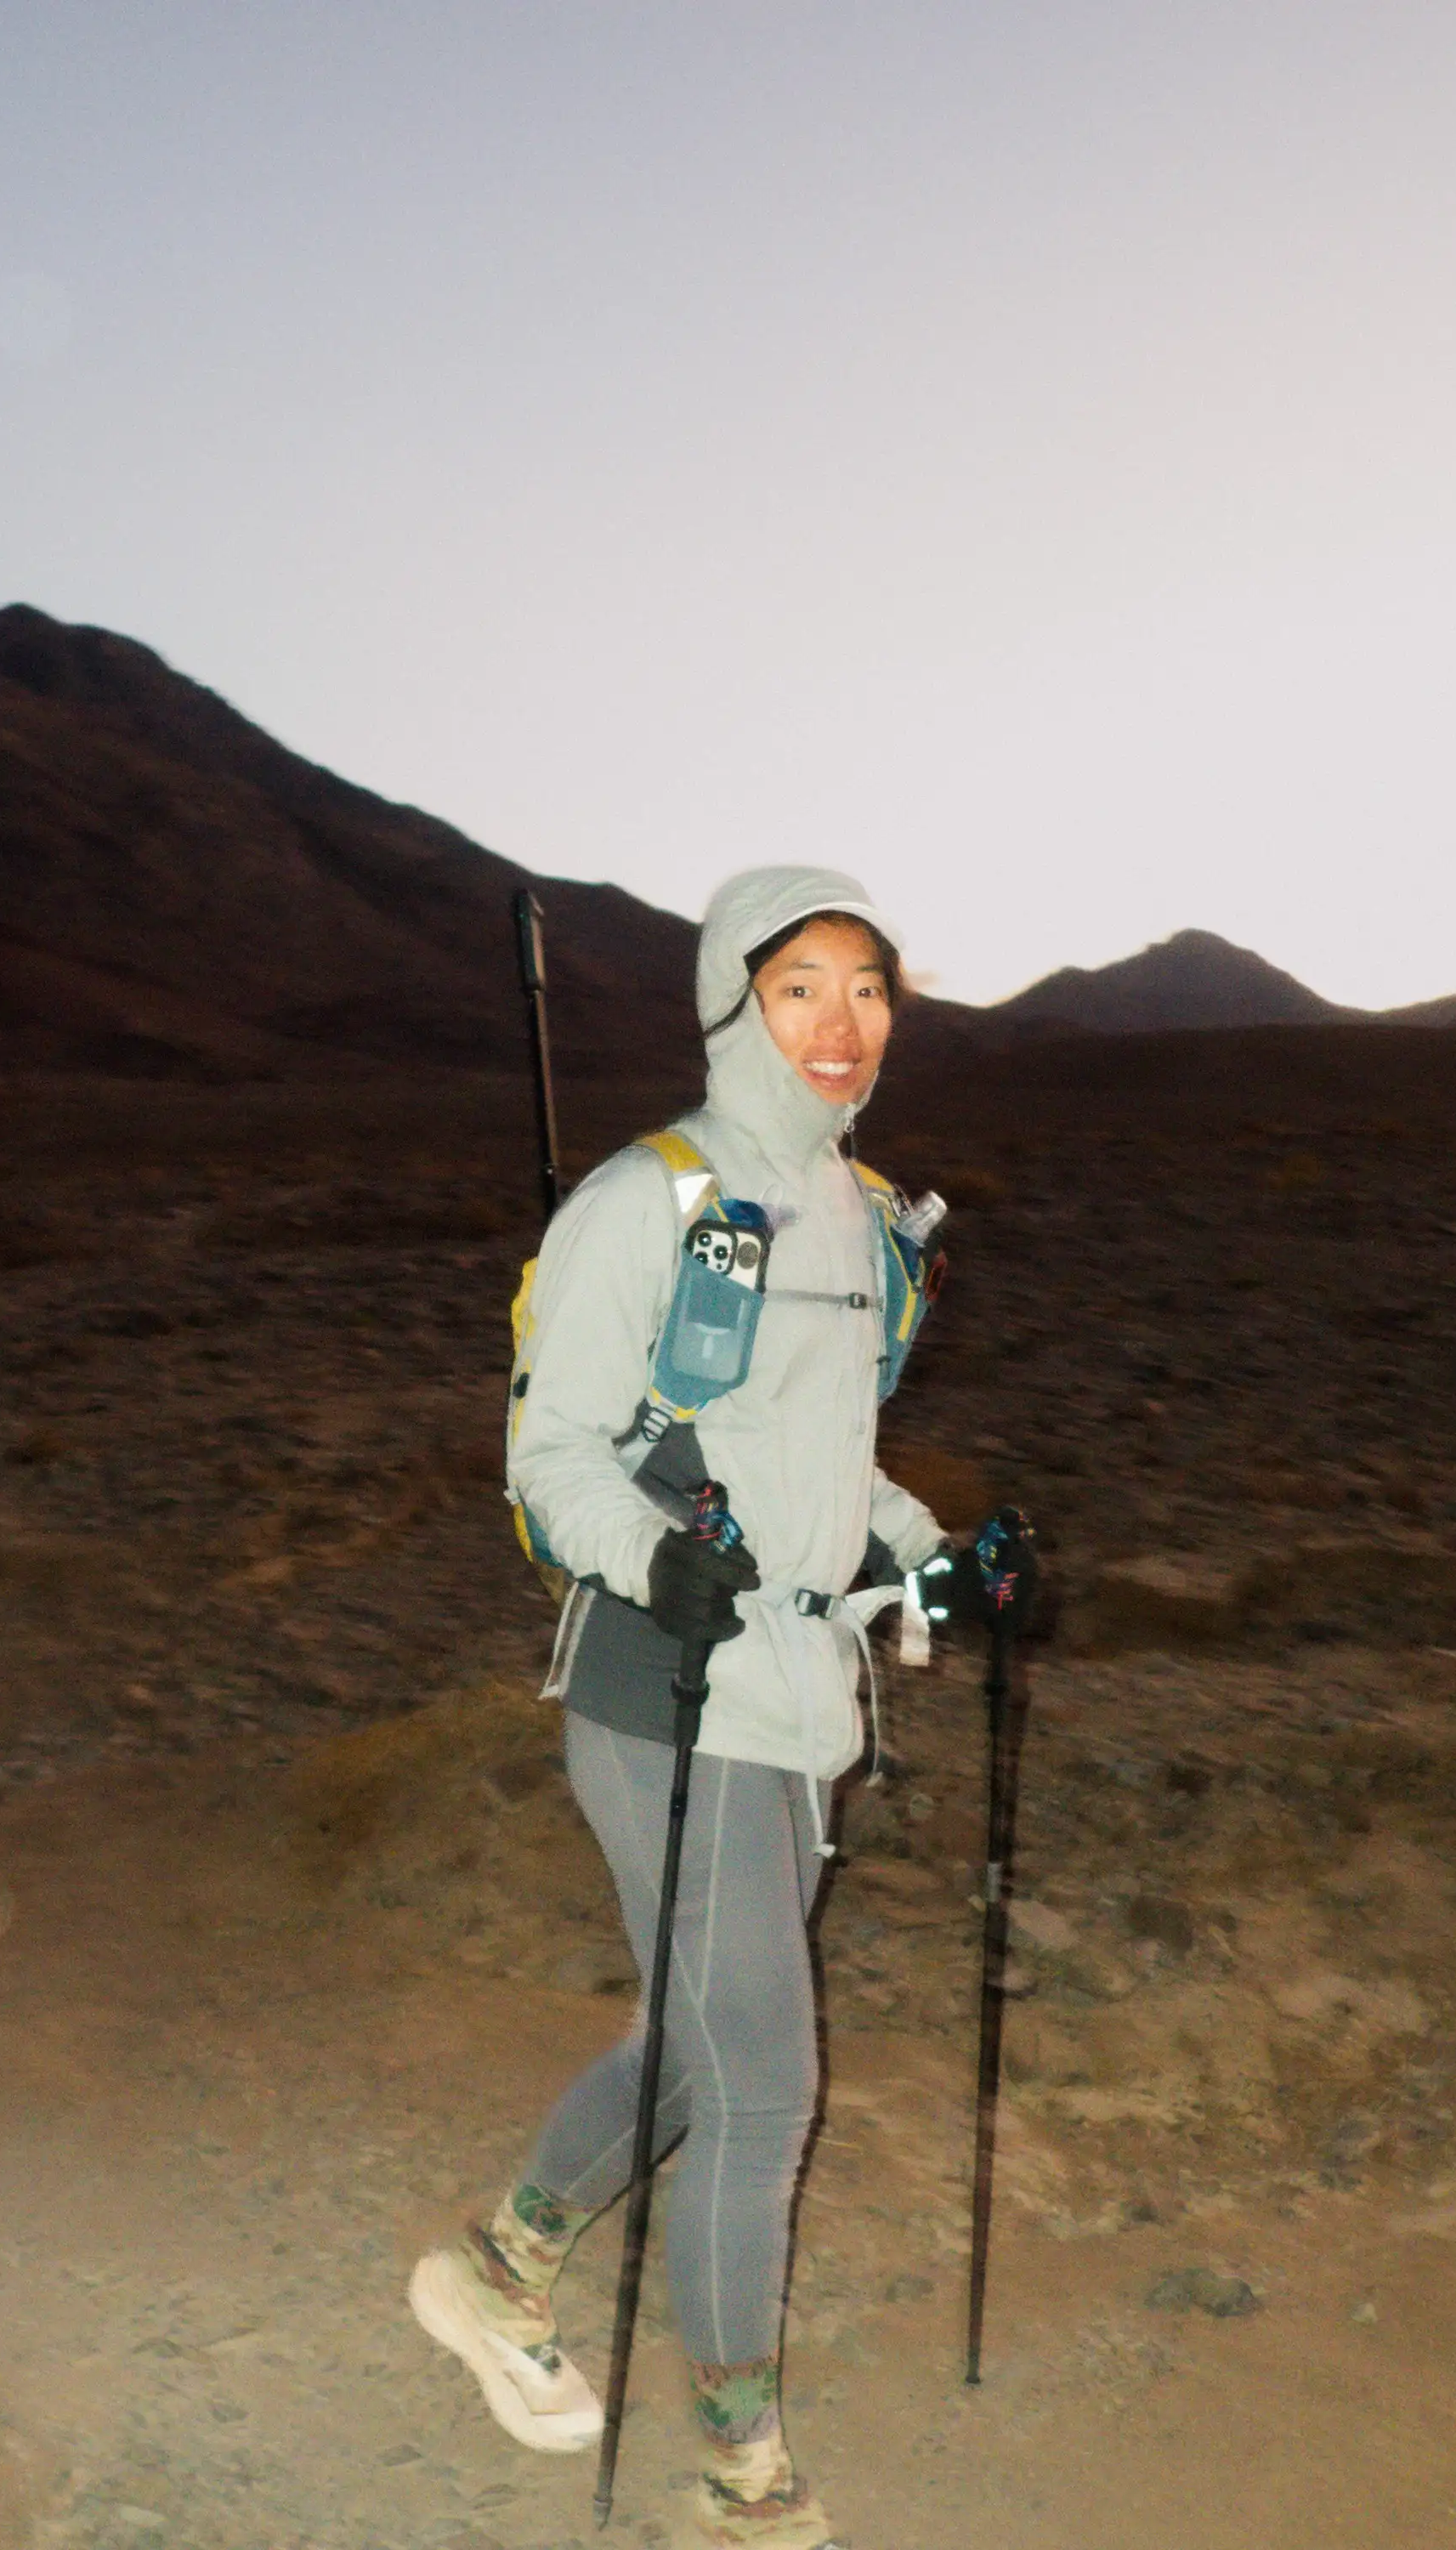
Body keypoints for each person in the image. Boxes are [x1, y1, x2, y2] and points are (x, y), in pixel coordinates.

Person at [409, 865, 966, 2550]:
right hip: (668, 1693)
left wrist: (932, 1557)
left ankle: (496, 2275)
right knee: (762, 2089)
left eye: (867, 987)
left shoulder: (865, 1218)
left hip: (799, 1693)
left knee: (698, 2042)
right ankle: (740, 2470)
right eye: (800, 985)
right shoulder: (640, 1203)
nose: (840, 1021)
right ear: (731, 1000)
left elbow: (826, 1460)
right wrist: (654, 1562)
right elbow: (551, 1457)